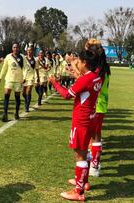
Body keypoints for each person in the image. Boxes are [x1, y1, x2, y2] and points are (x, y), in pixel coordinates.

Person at [49, 50, 102, 201]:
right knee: (85, 153)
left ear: (85, 63)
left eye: (78, 61)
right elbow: (85, 85)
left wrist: (55, 83)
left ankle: (78, 192)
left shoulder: (85, 80)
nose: (76, 63)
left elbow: (67, 95)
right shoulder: (96, 77)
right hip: (91, 118)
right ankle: (83, 183)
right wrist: (76, 74)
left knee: (80, 155)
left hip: (81, 121)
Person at [85, 39, 111, 177]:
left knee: (94, 136)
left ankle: (94, 166)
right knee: (96, 135)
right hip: (102, 104)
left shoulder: (98, 69)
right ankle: (95, 163)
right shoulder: (105, 67)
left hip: (96, 104)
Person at [0, 43, 27, 122]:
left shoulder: (22, 57)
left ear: (19, 48)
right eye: (14, 47)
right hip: (9, 79)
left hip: (18, 80)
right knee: (6, 96)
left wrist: (24, 77)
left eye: (17, 47)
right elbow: (4, 67)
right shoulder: (8, 56)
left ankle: (17, 113)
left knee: (17, 97)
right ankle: (5, 114)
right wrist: (0, 77)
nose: (15, 49)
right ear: (12, 48)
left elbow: (25, 68)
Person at [22, 46, 36, 112]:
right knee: (23, 93)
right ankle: (27, 100)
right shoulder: (23, 58)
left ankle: (27, 107)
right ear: (26, 51)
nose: (29, 51)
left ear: (32, 51)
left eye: (30, 50)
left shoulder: (35, 59)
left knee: (28, 91)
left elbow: (36, 69)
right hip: (24, 77)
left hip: (31, 77)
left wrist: (37, 78)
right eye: (28, 50)